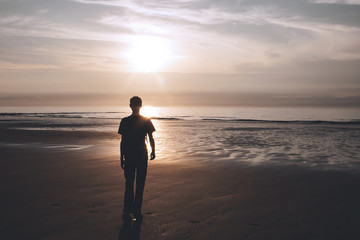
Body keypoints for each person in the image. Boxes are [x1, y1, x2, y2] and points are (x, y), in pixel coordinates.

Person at [118, 96, 156, 220]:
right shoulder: (146, 120)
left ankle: (128, 208)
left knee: (129, 183)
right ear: (140, 106)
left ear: (130, 106)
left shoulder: (125, 121)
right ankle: (136, 209)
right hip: (141, 155)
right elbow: (150, 138)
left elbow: (123, 141)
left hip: (129, 155)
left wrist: (121, 157)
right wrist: (153, 151)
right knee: (140, 184)